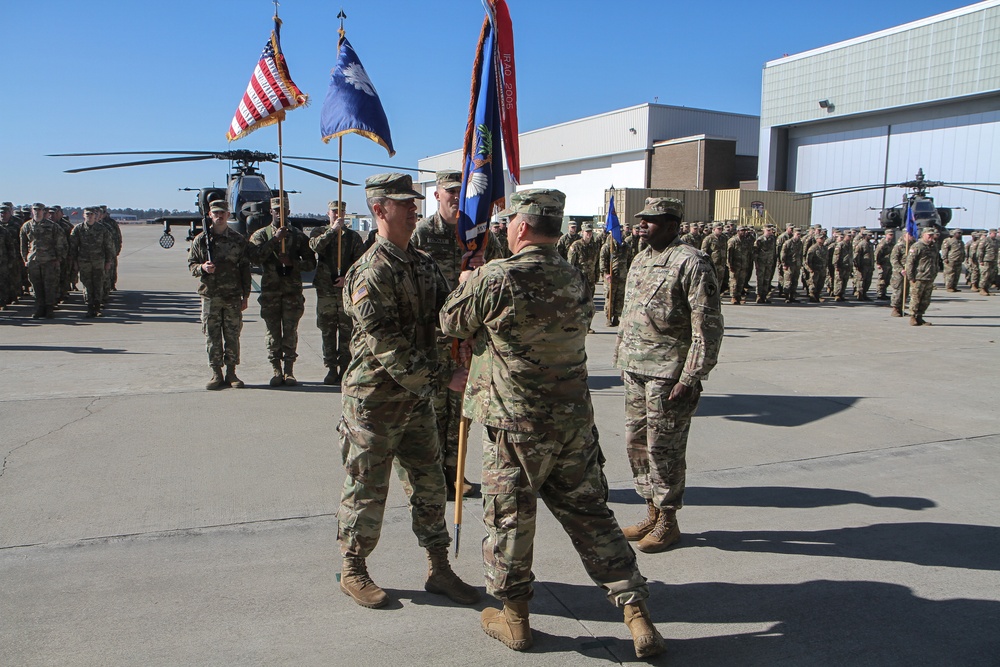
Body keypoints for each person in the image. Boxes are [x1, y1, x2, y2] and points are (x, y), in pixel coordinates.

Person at [440, 188, 665, 659]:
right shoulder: (575, 276)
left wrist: (467, 280)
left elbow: (451, 323)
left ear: (520, 227)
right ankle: (635, 612)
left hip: (514, 427)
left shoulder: (496, 277)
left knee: (510, 521)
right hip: (572, 423)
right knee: (592, 516)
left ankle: (516, 619)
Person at [336, 173, 477, 610]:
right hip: (374, 400)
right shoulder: (369, 272)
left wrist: (471, 297)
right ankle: (353, 568)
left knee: (429, 483)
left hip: (416, 400)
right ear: (379, 209)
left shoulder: (421, 263)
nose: (415, 208)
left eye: (416, 202)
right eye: (404, 203)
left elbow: (445, 314)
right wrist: (443, 379)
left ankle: (439, 567)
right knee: (367, 487)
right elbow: (387, 346)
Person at [615, 197, 724, 558]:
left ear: (674, 223)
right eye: (642, 219)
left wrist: (691, 376)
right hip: (635, 368)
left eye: (652, 220)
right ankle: (650, 511)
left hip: (668, 373)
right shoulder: (641, 258)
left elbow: (706, 324)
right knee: (637, 445)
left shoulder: (691, 261)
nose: (642, 225)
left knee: (665, 450)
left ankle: (668, 520)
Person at [411, 169, 502, 498]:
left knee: (463, 409)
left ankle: (457, 473)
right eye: (449, 191)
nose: (454, 197)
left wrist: (484, 269)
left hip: (469, 338)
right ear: (436, 195)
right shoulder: (422, 233)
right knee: (435, 410)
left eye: (459, 192)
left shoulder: (478, 235)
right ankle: (435, 475)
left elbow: (504, 271)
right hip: (433, 338)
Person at [249, 196, 316, 386]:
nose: (280, 213)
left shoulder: (298, 236)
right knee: (272, 333)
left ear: (289, 211)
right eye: (276, 210)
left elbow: (311, 263)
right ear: (271, 212)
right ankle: (276, 369)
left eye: (284, 209)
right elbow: (254, 257)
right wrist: (275, 240)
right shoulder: (261, 235)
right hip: (270, 292)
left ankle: (289, 370)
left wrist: (293, 263)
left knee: (290, 332)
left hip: (292, 293)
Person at [188, 200, 251, 389]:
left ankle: (231, 373)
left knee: (232, 335)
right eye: (215, 213)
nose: (219, 216)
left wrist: (245, 295)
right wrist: (202, 268)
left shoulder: (238, 240)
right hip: (210, 296)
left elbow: (245, 269)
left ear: (228, 215)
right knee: (212, 335)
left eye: (222, 213)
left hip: (232, 295)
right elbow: (191, 266)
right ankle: (216, 373)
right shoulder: (200, 240)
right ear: (209, 215)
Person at [310, 200, 366, 385]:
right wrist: (333, 230)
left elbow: (360, 264)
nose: (338, 214)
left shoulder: (353, 237)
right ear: (328, 214)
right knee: (327, 330)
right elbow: (316, 247)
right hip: (325, 291)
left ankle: (345, 367)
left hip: (344, 291)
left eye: (341, 211)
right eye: (334, 211)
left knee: (346, 330)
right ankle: (331, 368)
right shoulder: (320, 232)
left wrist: (346, 279)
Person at [20, 203, 68, 319]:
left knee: (50, 286)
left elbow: (61, 244)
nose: (37, 212)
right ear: (32, 211)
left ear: (43, 211)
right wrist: (25, 258)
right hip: (34, 261)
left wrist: (59, 258)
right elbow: (23, 245)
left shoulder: (52, 226)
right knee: (36, 286)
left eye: (39, 210)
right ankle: (39, 308)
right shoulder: (26, 226)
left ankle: (49, 308)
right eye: (35, 210)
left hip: (49, 261)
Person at [70, 207, 115, 318]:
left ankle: (97, 307)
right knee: (87, 285)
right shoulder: (78, 229)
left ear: (95, 216)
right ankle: (90, 307)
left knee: (98, 285)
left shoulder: (102, 229)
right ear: (83, 215)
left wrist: (108, 261)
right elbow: (73, 247)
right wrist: (74, 262)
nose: (89, 216)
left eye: (91, 214)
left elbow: (108, 246)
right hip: (84, 262)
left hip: (98, 262)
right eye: (87, 214)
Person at [567, 221, 600, 332]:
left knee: (589, 305)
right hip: (579, 280)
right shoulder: (576, 245)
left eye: (590, 232)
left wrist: (597, 276)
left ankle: (587, 326)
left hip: (590, 279)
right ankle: (575, 325)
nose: (589, 234)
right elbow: (570, 264)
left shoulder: (594, 246)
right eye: (587, 232)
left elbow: (596, 262)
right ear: (582, 232)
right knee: (578, 304)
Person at [905, 227, 940, 325]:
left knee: (925, 299)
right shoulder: (917, 246)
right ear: (923, 235)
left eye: (932, 235)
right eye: (929, 235)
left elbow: (936, 260)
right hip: (918, 277)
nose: (931, 237)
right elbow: (910, 262)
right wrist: (910, 277)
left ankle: (920, 316)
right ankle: (913, 317)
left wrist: (935, 272)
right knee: (916, 298)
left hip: (929, 277)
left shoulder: (934, 246)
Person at [600, 228, 631, 326]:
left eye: (620, 232)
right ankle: (608, 317)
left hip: (622, 275)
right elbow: (602, 260)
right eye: (617, 231)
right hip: (611, 276)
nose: (619, 233)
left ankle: (617, 317)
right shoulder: (608, 246)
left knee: (620, 297)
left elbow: (630, 260)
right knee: (610, 297)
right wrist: (605, 274)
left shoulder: (626, 246)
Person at [889, 230, 913, 317]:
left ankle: (901, 308)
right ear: (904, 235)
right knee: (898, 290)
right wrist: (900, 269)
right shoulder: (899, 246)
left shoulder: (912, 246)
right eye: (909, 234)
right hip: (899, 273)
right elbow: (894, 259)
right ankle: (895, 309)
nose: (911, 236)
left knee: (905, 291)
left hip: (907, 272)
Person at [753, 224, 777, 303]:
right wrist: (756, 263)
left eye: (771, 231)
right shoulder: (760, 240)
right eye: (768, 230)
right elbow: (755, 252)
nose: (770, 232)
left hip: (769, 262)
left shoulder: (772, 239)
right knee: (760, 280)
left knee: (767, 280)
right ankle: (759, 296)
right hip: (761, 263)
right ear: (764, 230)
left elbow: (773, 251)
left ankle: (764, 296)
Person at [940, 229, 965, 293]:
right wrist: (945, 258)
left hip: (958, 260)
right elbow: (944, 250)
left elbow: (962, 251)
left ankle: (954, 286)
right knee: (950, 274)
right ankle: (949, 287)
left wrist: (963, 258)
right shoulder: (949, 241)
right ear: (954, 234)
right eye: (958, 233)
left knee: (957, 274)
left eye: (960, 233)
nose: (960, 234)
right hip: (951, 260)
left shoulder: (961, 242)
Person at [852, 229, 875, 300]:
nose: (871, 237)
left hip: (869, 266)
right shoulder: (861, 244)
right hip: (862, 266)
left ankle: (865, 294)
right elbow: (856, 255)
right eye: (869, 235)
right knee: (861, 281)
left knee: (868, 281)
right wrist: (857, 265)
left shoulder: (870, 244)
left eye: (871, 235)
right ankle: (860, 295)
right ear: (865, 236)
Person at [874, 229, 896, 299]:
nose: (891, 236)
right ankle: (880, 293)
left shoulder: (892, 244)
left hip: (889, 264)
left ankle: (884, 293)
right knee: (882, 279)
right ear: (886, 235)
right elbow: (877, 254)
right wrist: (878, 263)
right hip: (883, 264)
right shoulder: (882, 244)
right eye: (890, 235)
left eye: (892, 235)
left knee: (887, 279)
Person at [975, 228, 998, 295]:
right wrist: (980, 260)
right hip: (986, 260)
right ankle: (982, 289)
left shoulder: (996, 241)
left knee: (991, 276)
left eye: (996, 233)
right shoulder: (985, 240)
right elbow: (980, 251)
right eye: (994, 233)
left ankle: (987, 289)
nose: (995, 235)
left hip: (993, 260)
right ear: (990, 233)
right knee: (985, 275)